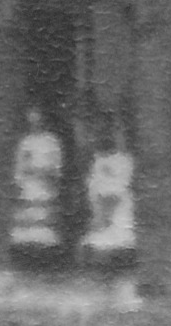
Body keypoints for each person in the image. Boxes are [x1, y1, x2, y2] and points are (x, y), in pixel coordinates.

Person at [81, 115, 139, 280]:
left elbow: (116, 192)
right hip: (99, 216)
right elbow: (94, 188)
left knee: (114, 252)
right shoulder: (98, 161)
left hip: (115, 219)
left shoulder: (124, 160)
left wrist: (103, 217)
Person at [9, 112, 69, 272]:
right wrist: (21, 182)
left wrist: (45, 174)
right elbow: (20, 168)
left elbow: (55, 167)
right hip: (28, 188)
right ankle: (26, 258)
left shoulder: (51, 142)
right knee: (27, 228)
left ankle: (45, 260)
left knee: (44, 228)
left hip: (45, 188)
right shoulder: (25, 142)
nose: (35, 122)